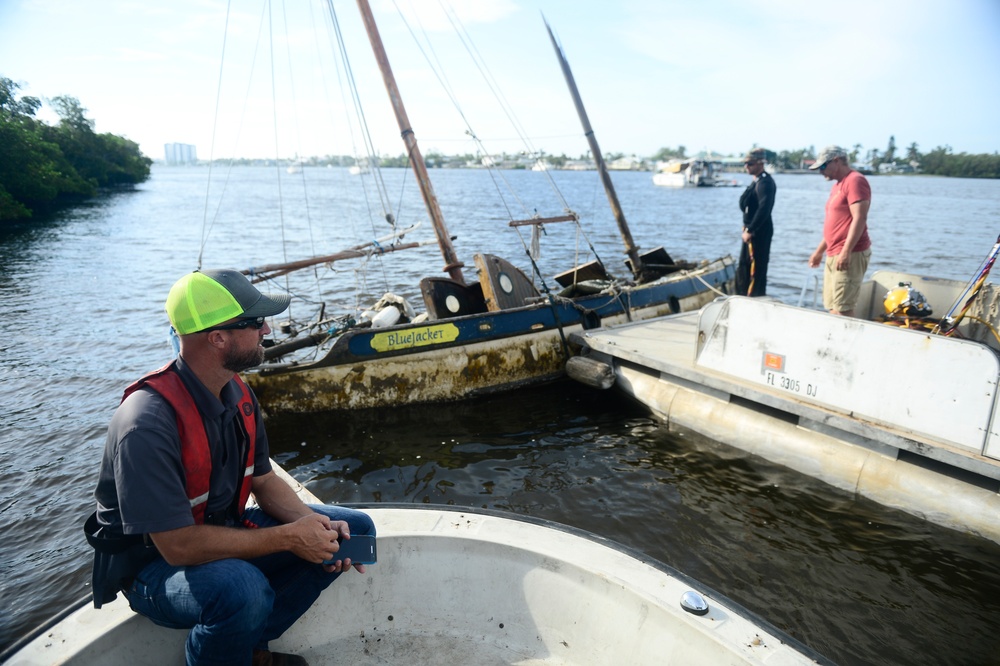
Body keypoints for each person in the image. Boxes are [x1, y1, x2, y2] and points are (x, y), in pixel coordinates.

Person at [85, 268, 375, 666]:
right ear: (218, 338)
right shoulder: (147, 423)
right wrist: (291, 538)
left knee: (354, 529)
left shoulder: (236, 392)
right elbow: (178, 546)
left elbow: (264, 479)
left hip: (221, 530)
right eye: (255, 323)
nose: (267, 329)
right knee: (242, 588)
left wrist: (313, 528)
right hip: (153, 568)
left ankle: (244, 649)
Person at [807, 145, 872, 316]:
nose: (820, 172)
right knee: (832, 306)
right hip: (833, 253)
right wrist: (819, 252)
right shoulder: (837, 186)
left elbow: (860, 218)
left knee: (843, 308)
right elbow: (836, 224)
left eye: (822, 166)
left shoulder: (855, 180)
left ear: (836, 161)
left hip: (850, 253)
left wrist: (846, 251)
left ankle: (845, 341)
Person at [735, 148, 776, 296]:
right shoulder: (756, 181)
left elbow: (764, 209)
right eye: (745, 163)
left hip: (758, 232)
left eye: (750, 163)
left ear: (760, 163)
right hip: (750, 231)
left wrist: (751, 229)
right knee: (743, 267)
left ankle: (754, 296)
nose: (747, 166)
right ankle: (742, 295)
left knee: (755, 269)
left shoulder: (765, 183)